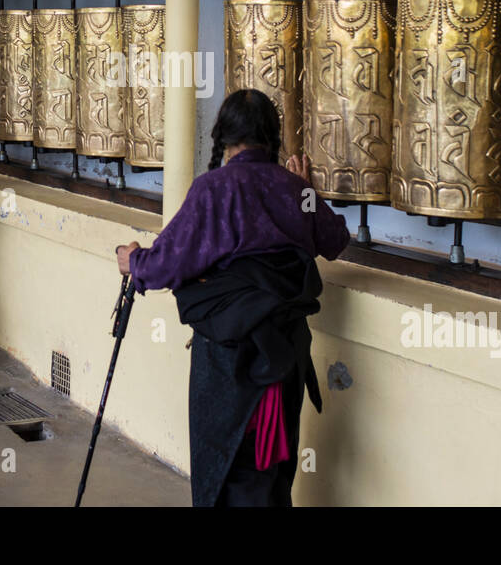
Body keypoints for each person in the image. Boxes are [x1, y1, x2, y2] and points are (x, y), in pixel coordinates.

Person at [115, 89, 350, 506]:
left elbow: (165, 265)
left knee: (228, 475)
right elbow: (335, 241)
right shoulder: (294, 189)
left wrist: (132, 260)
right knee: (271, 478)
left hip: (230, 363)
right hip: (284, 360)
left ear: (223, 138)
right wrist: (310, 192)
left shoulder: (214, 189)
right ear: (272, 138)